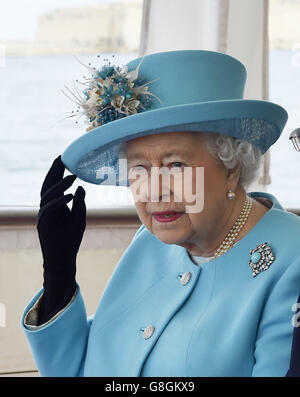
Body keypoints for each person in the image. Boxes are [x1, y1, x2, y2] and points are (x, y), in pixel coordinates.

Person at [21, 50, 300, 377]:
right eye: (139, 168)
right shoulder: (149, 243)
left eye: (176, 165)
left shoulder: (291, 259)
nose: (153, 190)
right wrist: (59, 277)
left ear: (232, 167)